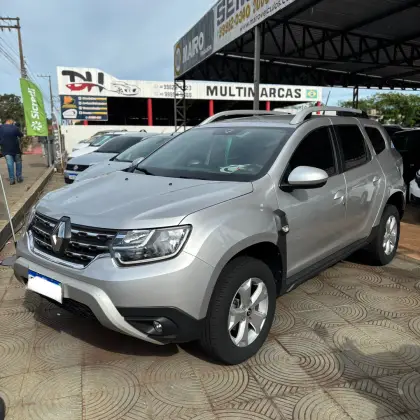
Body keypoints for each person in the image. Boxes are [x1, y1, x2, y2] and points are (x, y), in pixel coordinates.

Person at [0, 119, 23, 184]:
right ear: (12, 123)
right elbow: (21, 135)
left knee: (10, 164)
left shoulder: (0, 128)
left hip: (6, 149)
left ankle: (12, 180)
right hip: (16, 149)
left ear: (6, 122)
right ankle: (19, 177)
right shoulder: (15, 128)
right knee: (18, 162)